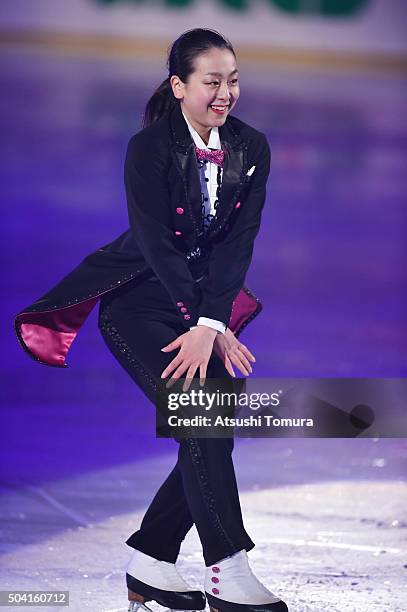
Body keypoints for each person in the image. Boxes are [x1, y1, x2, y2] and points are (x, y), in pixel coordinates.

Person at [14, 28, 288, 612]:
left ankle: (151, 560)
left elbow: (240, 243)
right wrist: (199, 319)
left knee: (209, 427)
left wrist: (212, 324)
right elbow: (157, 244)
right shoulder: (149, 148)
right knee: (204, 423)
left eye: (233, 80)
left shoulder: (253, 147)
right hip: (140, 303)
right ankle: (228, 570)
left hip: (205, 311)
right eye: (212, 81)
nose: (226, 93)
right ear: (179, 85)